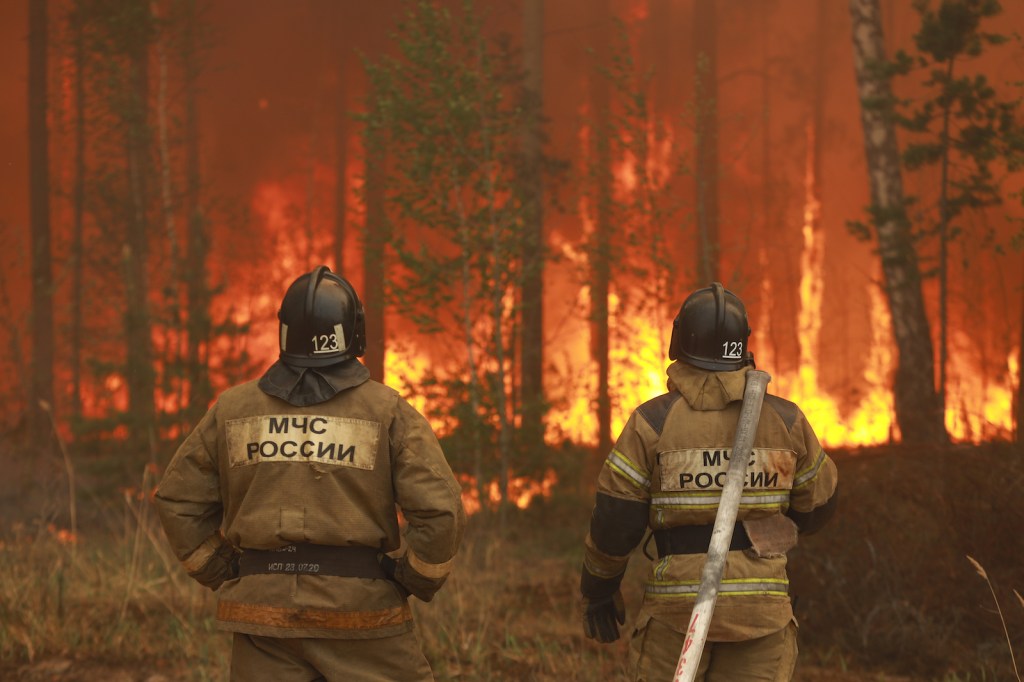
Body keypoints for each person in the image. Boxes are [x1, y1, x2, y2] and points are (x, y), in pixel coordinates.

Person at [155, 265, 465, 681]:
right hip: (359, 613)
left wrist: (227, 570)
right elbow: (441, 510)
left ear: (285, 333)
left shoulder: (231, 409)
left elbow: (178, 499)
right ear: (352, 332)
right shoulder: (388, 412)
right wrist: (412, 579)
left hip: (261, 614)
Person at [579, 282, 838, 681]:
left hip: (676, 614)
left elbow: (616, 523)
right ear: (742, 346)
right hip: (762, 615)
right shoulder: (786, 421)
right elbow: (818, 509)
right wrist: (765, 527)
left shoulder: (652, 423)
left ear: (678, 341)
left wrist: (598, 589)